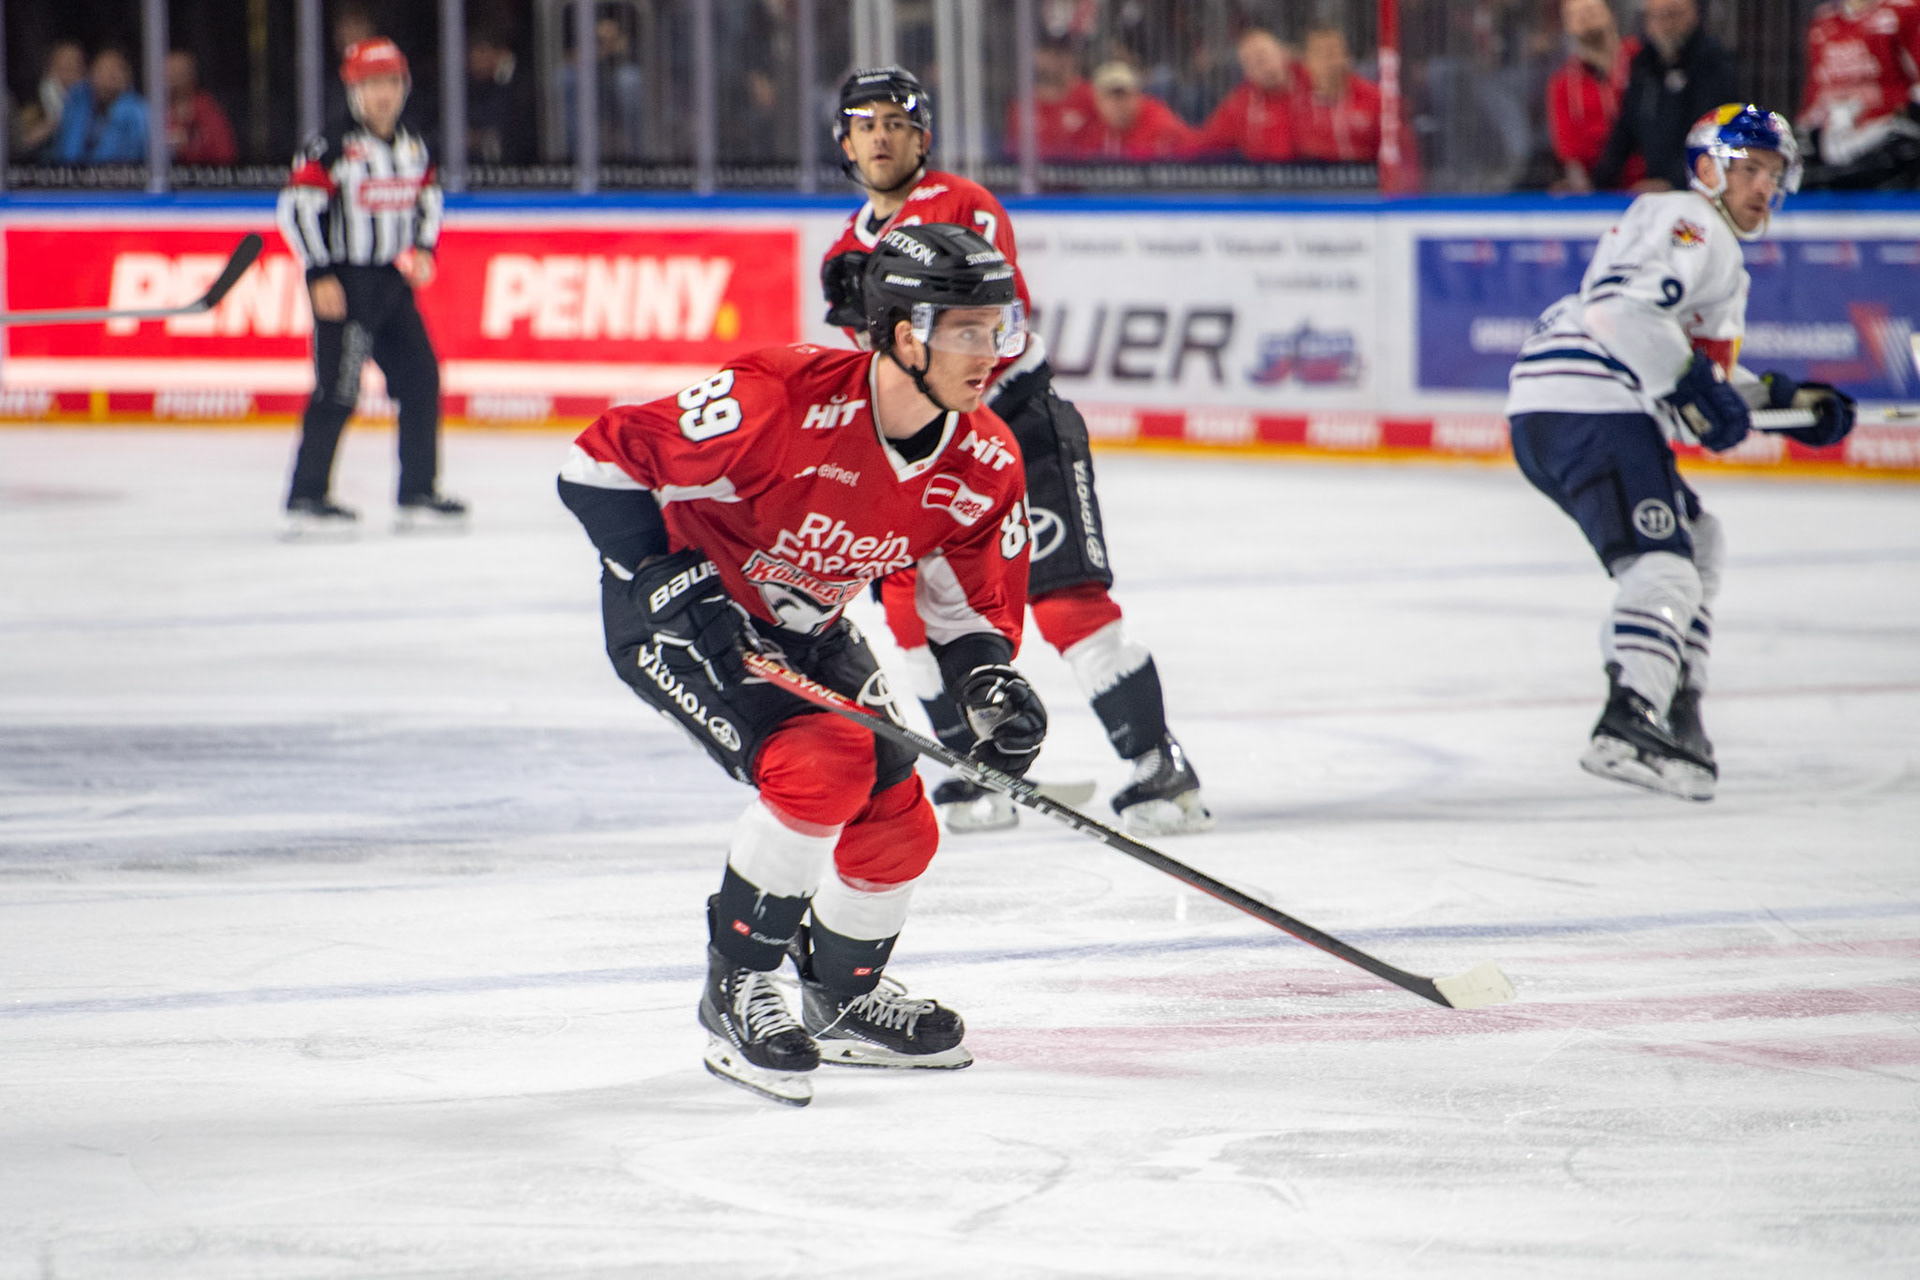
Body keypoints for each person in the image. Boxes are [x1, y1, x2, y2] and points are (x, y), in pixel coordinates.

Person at [557, 225, 1048, 1106]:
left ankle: (842, 997)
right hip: (681, 618)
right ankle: (736, 988)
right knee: (823, 764)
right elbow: (598, 462)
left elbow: (967, 609)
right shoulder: (782, 397)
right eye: (968, 331)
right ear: (905, 335)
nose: (992, 353)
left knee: (899, 813)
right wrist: (669, 577)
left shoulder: (983, 460)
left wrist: (990, 686)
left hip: (807, 626)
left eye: (999, 327)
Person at [820, 66, 1213, 836]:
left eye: (895, 122)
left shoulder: (963, 203)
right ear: (846, 141)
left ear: (922, 137)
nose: (880, 137)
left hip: (1018, 426)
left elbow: (991, 322)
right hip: (929, 453)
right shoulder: (844, 248)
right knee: (910, 611)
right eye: (865, 124)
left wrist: (897, 293)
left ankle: (1158, 766)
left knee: (1065, 598)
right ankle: (979, 768)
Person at [1505, 105, 1857, 801]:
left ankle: (1676, 706)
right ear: (1707, 170)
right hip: (1590, 403)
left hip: (1565, 405)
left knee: (1698, 544)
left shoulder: (1705, 241)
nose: (1764, 186)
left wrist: (1790, 406)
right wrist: (1695, 390)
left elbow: (1691, 373)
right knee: (1664, 570)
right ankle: (1627, 722)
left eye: (1774, 173)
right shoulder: (1691, 222)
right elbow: (1619, 313)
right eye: (1749, 169)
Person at [275, 38, 465, 534]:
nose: (383, 94)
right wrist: (318, 272)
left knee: (421, 379)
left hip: (390, 281)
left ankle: (418, 491)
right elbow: (297, 210)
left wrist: (423, 247)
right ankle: (307, 496)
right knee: (339, 389)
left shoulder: (414, 144)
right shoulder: (331, 146)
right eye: (371, 84)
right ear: (352, 90)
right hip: (345, 281)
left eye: (391, 83)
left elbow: (428, 198)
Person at [1591, 0, 1739, 192]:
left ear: (1693, 14)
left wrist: (1673, 182)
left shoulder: (1713, 62)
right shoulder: (1644, 64)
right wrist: (1596, 184)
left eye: (1673, 15)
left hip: (1700, 188)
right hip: (1655, 184)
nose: (1665, 24)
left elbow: (1712, 131)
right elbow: (1626, 129)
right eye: (1656, 17)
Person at [1798, 0, 1920, 188]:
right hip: (1836, 136)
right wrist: (1807, 129)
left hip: (1890, 133)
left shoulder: (1905, 11)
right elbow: (1817, 88)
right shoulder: (1822, 21)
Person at [1547, 0, 1643, 192]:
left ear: (1610, 14)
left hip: (1647, 185)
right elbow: (1569, 150)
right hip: (1598, 190)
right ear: (1567, 26)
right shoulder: (1563, 83)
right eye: (1576, 16)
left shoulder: (1641, 61)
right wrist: (1583, 190)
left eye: (1591, 10)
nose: (1585, 19)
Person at [1192, 28, 1301, 161]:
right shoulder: (1239, 105)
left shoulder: (1314, 82)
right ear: (1246, 72)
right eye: (1249, 62)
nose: (1259, 65)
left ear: (1283, 54)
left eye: (1262, 56)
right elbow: (1204, 143)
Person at [1291, 26, 1383, 164]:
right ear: (1307, 61)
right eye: (1319, 53)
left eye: (1333, 52)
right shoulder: (1296, 102)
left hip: (1365, 174)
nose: (1327, 60)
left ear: (1347, 57)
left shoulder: (1374, 97)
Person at [1071, 60, 1196, 159]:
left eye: (1123, 96)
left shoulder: (1159, 124)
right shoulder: (1093, 128)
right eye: (1110, 97)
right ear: (1098, 102)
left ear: (1137, 97)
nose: (1117, 105)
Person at [52, 48, 149, 165]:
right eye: (102, 69)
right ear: (91, 74)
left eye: (115, 71)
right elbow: (65, 151)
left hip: (121, 173)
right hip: (72, 172)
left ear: (127, 76)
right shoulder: (77, 105)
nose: (108, 76)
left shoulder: (139, 112)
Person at [1002, 41, 1097, 160]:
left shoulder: (1090, 95)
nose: (1054, 60)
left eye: (1061, 53)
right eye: (1048, 52)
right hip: (1035, 170)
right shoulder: (1021, 104)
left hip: (1080, 169)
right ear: (1036, 56)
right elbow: (1012, 154)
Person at [465, 28, 536, 165]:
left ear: (500, 53)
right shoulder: (482, 86)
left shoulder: (523, 82)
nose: (476, 63)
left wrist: (482, 138)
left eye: (481, 54)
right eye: (473, 58)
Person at [15, 41, 86, 160]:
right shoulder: (33, 105)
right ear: (50, 70)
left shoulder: (92, 105)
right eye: (62, 69)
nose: (67, 76)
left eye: (74, 69)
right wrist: (51, 125)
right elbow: (19, 144)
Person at [165, 50, 237, 166]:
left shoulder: (206, 109)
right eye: (169, 73)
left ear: (191, 76)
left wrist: (190, 145)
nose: (172, 79)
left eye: (178, 73)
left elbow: (225, 153)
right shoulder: (154, 110)